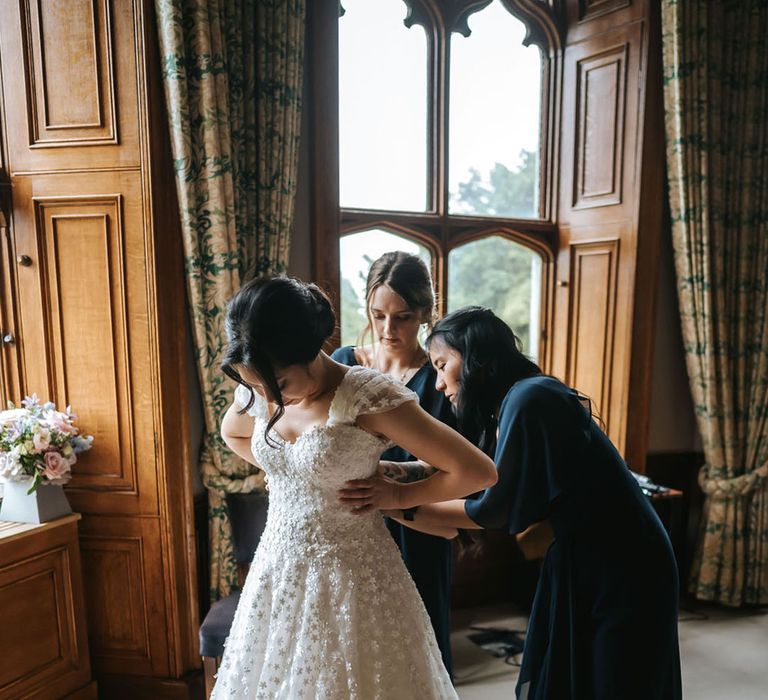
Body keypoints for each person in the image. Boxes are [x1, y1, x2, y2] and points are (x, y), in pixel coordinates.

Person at [339, 307, 682, 700]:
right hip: (578, 557)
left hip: (624, 562)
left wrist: (394, 500)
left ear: (475, 358)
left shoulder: (531, 398)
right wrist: (385, 474)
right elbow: (469, 477)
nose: (436, 383)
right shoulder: (511, 403)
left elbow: (493, 509)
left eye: (442, 365)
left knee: (614, 682)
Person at [212, 277, 497, 699]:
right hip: (277, 569)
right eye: (257, 387)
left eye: (281, 385)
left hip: (352, 575)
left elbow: (477, 471)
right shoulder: (261, 381)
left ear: (310, 352)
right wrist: (295, 471)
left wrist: (398, 495)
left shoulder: (366, 396)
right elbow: (232, 433)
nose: (270, 398)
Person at [332, 251, 457, 674]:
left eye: (402, 317)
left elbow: (454, 470)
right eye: (377, 315)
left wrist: (394, 491)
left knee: (416, 656)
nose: (388, 330)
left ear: (424, 312)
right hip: (346, 526)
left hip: (417, 529)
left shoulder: (439, 381)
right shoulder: (343, 365)